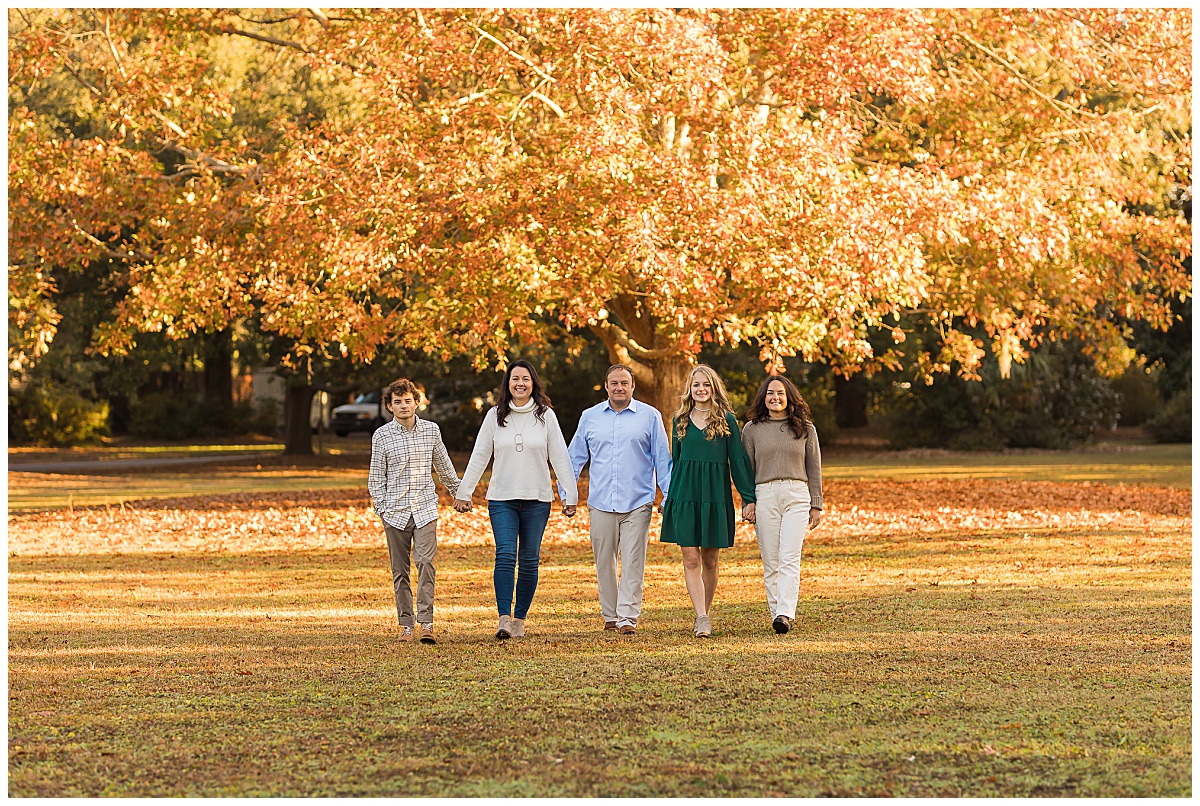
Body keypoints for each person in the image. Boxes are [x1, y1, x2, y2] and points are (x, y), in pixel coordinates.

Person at [454, 360, 578, 640]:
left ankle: (520, 618)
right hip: (502, 499)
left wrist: (569, 494)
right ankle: (504, 618)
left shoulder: (546, 416)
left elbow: (559, 456)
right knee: (506, 555)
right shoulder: (494, 416)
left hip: (537, 499)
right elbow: (480, 455)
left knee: (530, 560)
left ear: (533, 383)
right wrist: (464, 492)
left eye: (525, 379)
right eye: (514, 379)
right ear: (507, 384)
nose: (520, 384)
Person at [563, 364, 673, 636]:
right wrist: (568, 494)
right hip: (600, 502)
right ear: (606, 386)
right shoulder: (590, 417)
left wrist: (668, 494)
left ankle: (627, 618)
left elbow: (662, 458)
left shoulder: (650, 416)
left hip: (638, 501)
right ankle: (610, 616)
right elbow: (574, 458)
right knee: (604, 563)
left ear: (633, 386)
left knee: (634, 561)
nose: (619, 387)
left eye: (624, 383)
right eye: (614, 383)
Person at [660, 364, 756, 638]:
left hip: (715, 494)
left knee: (710, 559)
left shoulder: (726, 420)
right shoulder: (679, 420)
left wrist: (748, 498)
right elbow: (675, 462)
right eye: (696, 385)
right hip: (685, 494)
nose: (701, 390)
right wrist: (669, 497)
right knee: (690, 558)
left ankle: (706, 610)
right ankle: (702, 617)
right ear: (689, 389)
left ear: (714, 388)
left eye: (706, 385)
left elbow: (737, 461)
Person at [367, 378, 461, 645]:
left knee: (426, 563)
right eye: (398, 402)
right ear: (390, 406)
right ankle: (406, 625)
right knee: (400, 571)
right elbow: (376, 478)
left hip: (424, 509)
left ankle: (427, 624)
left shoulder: (431, 431)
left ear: (417, 403)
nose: (404, 405)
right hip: (394, 512)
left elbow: (444, 467)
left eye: (408, 400)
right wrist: (382, 509)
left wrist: (459, 494)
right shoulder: (382, 436)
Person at [741, 375, 824, 634]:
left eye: (780, 393)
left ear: (789, 397)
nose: (775, 397)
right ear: (763, 398)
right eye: (769, 393)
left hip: (797, 494)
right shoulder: (751, 429)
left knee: (789, 556)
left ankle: (785, 613)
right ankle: (777, 612)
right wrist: (748, 502)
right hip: (764, 494)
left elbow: (814, 466)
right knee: (771, 559)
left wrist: (816, 504)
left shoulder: (805, 428)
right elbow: (746, 469)